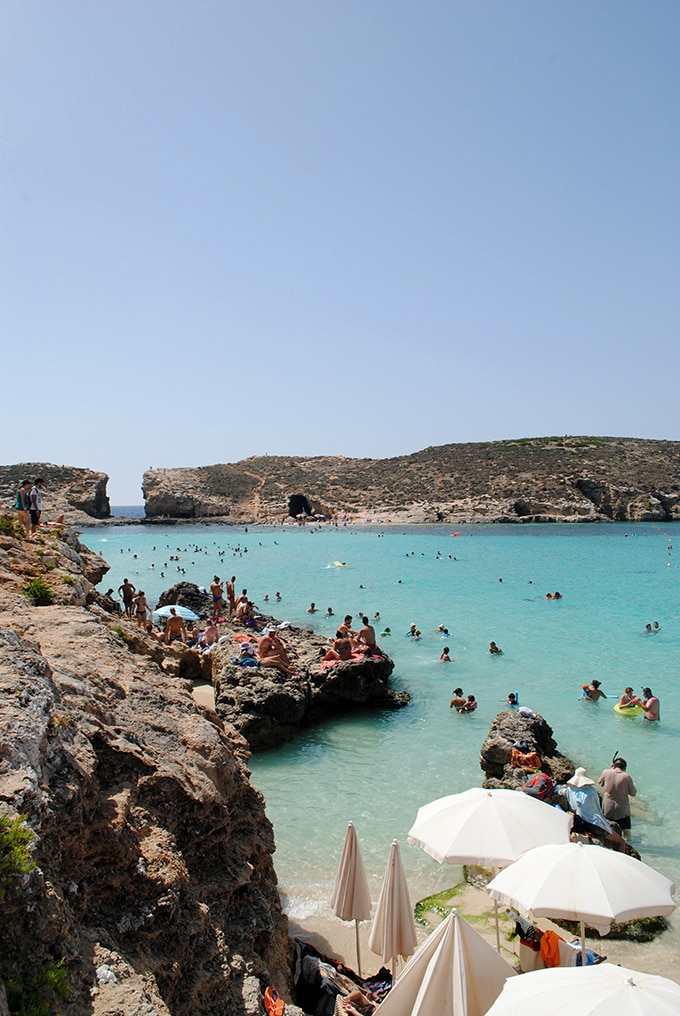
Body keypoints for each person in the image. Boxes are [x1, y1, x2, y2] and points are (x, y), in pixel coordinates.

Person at [562, 768, 626, 851]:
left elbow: (560, 791)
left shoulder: (569, 790)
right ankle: (621, 858)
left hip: (580, 821)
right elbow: (597, 810)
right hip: (593, 824)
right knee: (621, 842)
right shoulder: (591, 792)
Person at [599, 758, 637, 835]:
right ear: (624, 768)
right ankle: (627, 845)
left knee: (608, 831)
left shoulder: (606, 772)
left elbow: (600, 783)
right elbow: (633, 793)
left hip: (607, 808)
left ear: (614, 765)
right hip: (622, 810)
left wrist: (611, 769)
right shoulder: (626, 777)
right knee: (626, 833)